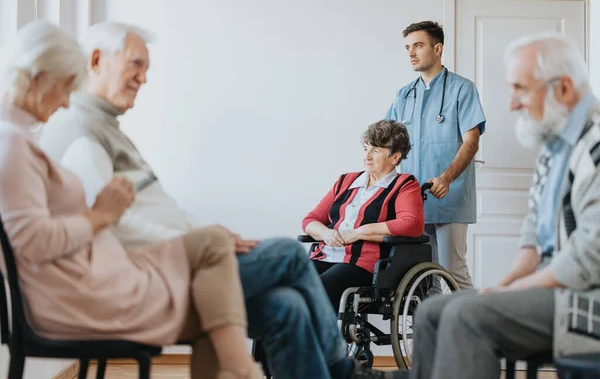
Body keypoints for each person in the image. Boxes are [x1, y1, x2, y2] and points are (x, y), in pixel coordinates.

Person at [39, 21, 404, 379]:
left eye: (147, 68)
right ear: (97, 61)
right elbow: (110, 222)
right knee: (291, 254)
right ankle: (344, 372)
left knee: (286, 307)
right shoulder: (82, 132)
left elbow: (410, 225)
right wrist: (200, 243)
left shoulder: (105, 129)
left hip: (175, 262)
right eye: (136, 64)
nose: (144, 77)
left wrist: (207, 232)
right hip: (150, 274)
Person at [0, 20, 263, 379]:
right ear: (39, 77)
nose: (65, 104)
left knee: (220, 273)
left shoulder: (17, 140)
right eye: (65, 89)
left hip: (90, 281)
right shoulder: (12, 145)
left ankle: (240, 368)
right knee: (239, 289)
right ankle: (243, 370)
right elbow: (31, 242)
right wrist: (101, 214)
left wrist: (100, 214)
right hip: (80, 297)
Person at [396, 33, 600, 379]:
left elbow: (588, 256)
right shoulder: (553, 149)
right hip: (557, 288)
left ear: (563, 89)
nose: (512, 104)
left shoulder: (593, 147)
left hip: (583, 298)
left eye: (521, 89)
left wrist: (519, 289)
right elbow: (533, 244)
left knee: (465, 315)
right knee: (433, 310)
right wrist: (502, 286)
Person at [385, 21, 486, 289]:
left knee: (454, 272)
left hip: (449, 196)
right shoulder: (404, 95)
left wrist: (447, 178)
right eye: (408, 47)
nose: (411, 53)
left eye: (418, 45)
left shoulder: (462, 89)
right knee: (422, 277)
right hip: (412, 201)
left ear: (437, 48)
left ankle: (468, 330)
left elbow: (471, 142)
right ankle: (432, 331)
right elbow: (387, 146)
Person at [303, 119, 425, 311]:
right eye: (366, 148)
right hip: (325, 255)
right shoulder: (346, 181)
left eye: (376, 150)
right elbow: (310, 220)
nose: (367, 156)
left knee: (315, 291)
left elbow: (412, 224)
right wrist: (326, 233)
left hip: (363, 263)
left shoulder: (404, 184)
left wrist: (359, 232)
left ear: (395, 157)